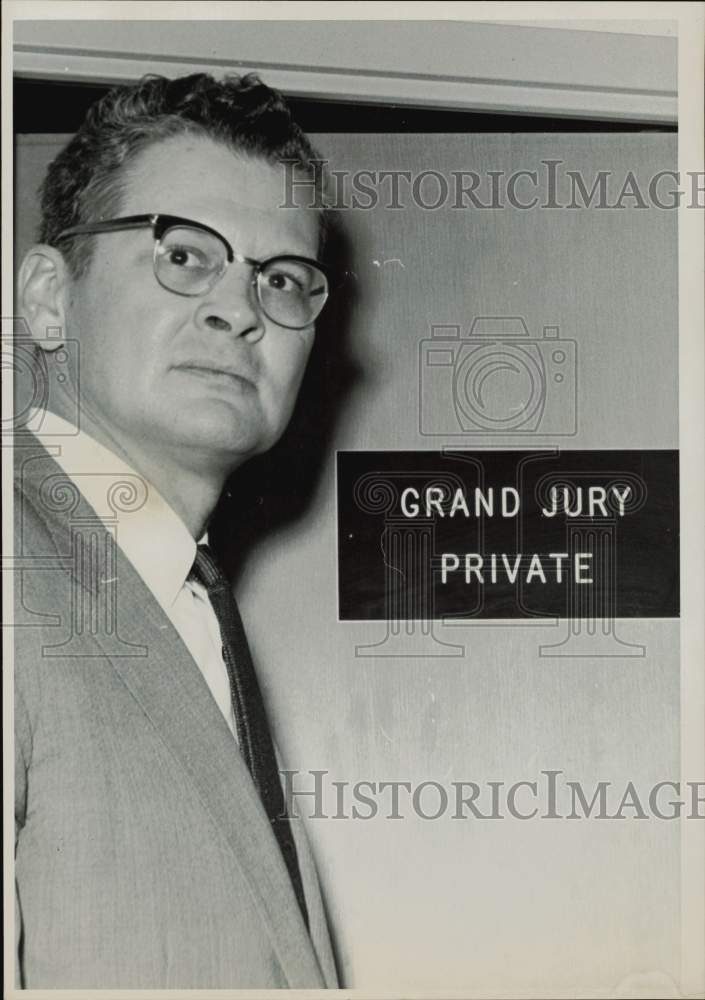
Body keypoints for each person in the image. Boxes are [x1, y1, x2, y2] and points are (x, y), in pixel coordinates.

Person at [13, 72, 337, 989]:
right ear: (47, 299)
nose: (240, 310)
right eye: (186, 255)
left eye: (280, 278)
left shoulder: (187, 606)